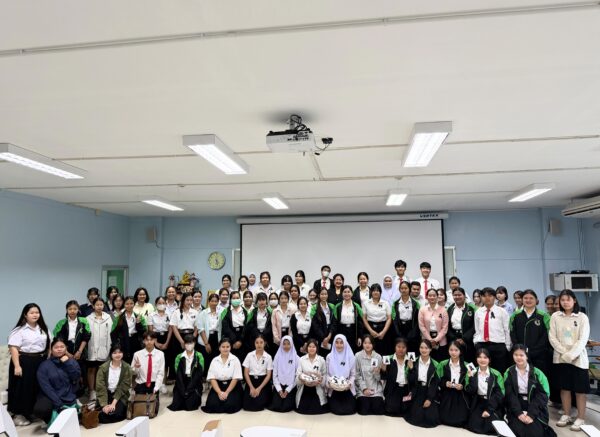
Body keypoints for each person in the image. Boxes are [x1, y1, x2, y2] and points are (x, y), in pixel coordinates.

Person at [549, 289, 590, 431]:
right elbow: (552, 337)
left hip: (578, 359)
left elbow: (583, 339)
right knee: (564, 388)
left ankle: (581, 417)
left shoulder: (582, 317)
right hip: (560, 358)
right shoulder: (555, 316)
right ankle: (566, 414)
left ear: (574, 300)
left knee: (580, 390)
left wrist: (571, 355)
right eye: (562, 300)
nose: (565, 302)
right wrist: (564, 353)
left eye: (568, 299)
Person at [7, 303, 51, 426]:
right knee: (22, 388)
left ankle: (30, 412)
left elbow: (49, 345)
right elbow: (13, 348)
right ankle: (18, 415)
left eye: (37, 312)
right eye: (32, 313)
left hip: (40, 360)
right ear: (25, 315)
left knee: (36, 387)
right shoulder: (19, 330)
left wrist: (48, 360)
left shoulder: (43, 328)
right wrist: (17, 366)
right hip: (24, 361)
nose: (35, 315)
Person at [504, 344, 556, 437]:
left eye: (521, 355)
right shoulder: (509, 372)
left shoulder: (538, 373)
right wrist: (519, 413)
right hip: (517, 405)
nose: (518, 358)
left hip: (534, 405)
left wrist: (531, 415)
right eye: (516, 355)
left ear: (527, 356)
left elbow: (543, 395)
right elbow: (509, 395)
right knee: (516, 431)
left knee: (534, 433)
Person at [34, 338, 80, 425]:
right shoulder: (44, 365)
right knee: (41, 409)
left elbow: (76, 377)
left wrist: (68, 363)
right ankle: (49, 419)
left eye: (62, 347)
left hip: (68, 395)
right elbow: (46, 387)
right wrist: (59, 404)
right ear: (51, 350)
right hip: (51, 396)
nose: (59, 349)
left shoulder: (72, 362)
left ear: (66, 348)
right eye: (56, 347)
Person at [509, 289, 550, 377]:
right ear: (522, 300)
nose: (528, 300)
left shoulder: (543, 316)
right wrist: (519, 349)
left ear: (536, 300)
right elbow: (512, 333)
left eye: (531, 298)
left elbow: (546, 335)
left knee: (538, 379)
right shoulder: (515, 315)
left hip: (539, 355)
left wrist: (534, 351)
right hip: (520, 355)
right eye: (525, 298)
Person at [465, 348, 505, 435]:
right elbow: (470, 391)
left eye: (485, 357)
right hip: (478, 402)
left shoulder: (496, 374)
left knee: (491, 426)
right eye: (479, 357)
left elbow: (500, 394)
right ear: (476, 359)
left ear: (489, 360)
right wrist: (471, 377)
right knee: (474, 425)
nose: (482, 360)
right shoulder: (472, 371)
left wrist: (489, 410)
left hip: (492, 402)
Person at [473, 287, 511, 374]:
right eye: (484, 296)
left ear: (494, 297)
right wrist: (476, 342)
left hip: (498, 346)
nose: (487, 298)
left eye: (490, 296)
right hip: (482, 345)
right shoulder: (478, 312)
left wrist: (507, 346)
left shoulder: (502, 311)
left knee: (499, 372)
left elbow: (507, 330)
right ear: (481, 297)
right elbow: (477, 330)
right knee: (483, 372)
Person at [202, 338, 244, 414]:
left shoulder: (235, 359)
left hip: (232, 386)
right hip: (218, 386)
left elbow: (235, 378)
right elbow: (212, 378)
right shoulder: (214, 360)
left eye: (227, 347)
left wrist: (226, 392)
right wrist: (219, 392)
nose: (225, 349)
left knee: (230, 406)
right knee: (212, 405)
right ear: (219, 348)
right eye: (223, 347)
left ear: (230, 347)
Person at [405, 339, 441, 428]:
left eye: (426, 348)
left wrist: (429, 399)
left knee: (431, 418)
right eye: (421, 347)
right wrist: (411, 369)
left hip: (429, 391)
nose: (423, 350)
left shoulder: (436, 364)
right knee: (416, 417)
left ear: (430, 349)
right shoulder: (413, 361)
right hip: (417, 390)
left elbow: (434, 384)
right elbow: (410, 381)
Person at [95, 344, 132, 423]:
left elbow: (123, 387)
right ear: (111, 354)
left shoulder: (127, 367)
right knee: (102, 413)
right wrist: (105, 405)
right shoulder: (103, 368)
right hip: (106, 394)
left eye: (120, 352)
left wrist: (113, 404)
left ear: (123, 353)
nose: (117, 355)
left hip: (120, 396)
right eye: (115, 353)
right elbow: (100, 387)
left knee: (118, 414)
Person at [132, 331, 165, 416]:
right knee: (139, 410)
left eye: (151, 339)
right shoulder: (137, 354)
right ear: (143, 341)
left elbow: (161, 373)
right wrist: (136, 367)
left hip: (154, 384)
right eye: (147, 340)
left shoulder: (160, 354)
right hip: (141, 383)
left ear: (155, 340)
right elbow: (133, 372)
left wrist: (157, 387)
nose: (149, 342)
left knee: (153, 411)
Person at [437, 341, 469, 427]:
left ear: (460, 351)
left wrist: (462, 386)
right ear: (448, 351)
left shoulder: (468, 365)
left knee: (461, 420)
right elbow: (437, 380)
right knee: (442, 418)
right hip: (447, 392)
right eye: (451, 350)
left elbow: (472, 384)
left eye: (456, 350)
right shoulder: (442, 364)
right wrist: (445, 383)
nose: (453, 352)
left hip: (461, 394)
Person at [168, 335, 204, 411]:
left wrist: (189, 389)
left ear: (194, 343)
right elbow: (178, 374)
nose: (189, 345)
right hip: (182, 382)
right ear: (184, 344)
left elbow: (199, 374)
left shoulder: (199, 356)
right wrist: (183, 389)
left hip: (194, 382)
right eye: (187, 343)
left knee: (189, 406)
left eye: (191, 343)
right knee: (177, 405)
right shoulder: (179, 356)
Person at [53, 300, 90, 373]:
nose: (72, 311)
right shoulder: (61, 323)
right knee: (65, 372)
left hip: (80, 350)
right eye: (70, 309)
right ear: (66, 310)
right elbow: (58, 339)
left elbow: (86, 337)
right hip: (65, 350)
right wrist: (66, 352)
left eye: (75, 309)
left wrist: (79, 351)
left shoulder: (84, 321)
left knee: (80, 373)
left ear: (78, 309)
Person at [86, 297, 112, 401]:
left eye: (101, 305)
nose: (99, 307)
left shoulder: (108, 318)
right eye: (97, 305)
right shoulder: (88, 318)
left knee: (103, 370)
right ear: (93, 306)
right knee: (91, 369)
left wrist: (109, 348)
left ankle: (101, 391)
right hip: (91, 348)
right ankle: (92, 391)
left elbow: (110, 334)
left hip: (104, 348)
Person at [325, 334, 356, 415]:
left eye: (341, 343)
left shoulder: (350, 357)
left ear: (345, 343)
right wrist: (330, 383)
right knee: (336, 409)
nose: (339, 345)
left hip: (346, 388)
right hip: (334, 388)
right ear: (334, 343)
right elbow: (326, 374)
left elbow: (353, 375)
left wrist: (349, 384)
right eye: (337, 342)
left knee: (350, 409)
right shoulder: (329, 357)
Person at [295, 338, 328, 414]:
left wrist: (320, 379)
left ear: (316, 348)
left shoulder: (321, 360)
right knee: (302, 409)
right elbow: (298, 376)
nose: (311, 349)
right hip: (305, 388)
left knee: (317, 409)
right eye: (310, 346)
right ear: (307, 348)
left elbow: (324, 375)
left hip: (317, 388)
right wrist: (302, 379)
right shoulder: (301, 359)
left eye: (313, 347)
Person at [111, 296, 147, 364]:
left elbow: (144, 332)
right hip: (123, 342)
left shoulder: (139, 316)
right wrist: (116, 346)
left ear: (134, 304)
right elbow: (113, 333)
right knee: (124, 363)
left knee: (135, 363)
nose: (129, 306)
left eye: (131, 303)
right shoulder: (119, 317)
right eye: (127, 304)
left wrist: (138, 323)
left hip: (135, 342)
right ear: (124, 305)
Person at [354, 335, 384, 415]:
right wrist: (364, 389)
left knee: (378, 410)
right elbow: (357, 375)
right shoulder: (357, 356)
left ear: (373, 344)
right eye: (365, 343)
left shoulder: (378, 357)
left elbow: (379, 379)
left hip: (375, 389)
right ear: (362, 344)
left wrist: (376, 373)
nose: (367, 345)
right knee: (363, 410)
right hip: (362, 389)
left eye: (370, 343)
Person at [446, 287, 477, 363]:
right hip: (453, 338)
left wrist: (464, 339)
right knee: (455, 361)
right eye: (455, 295)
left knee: (468, 363)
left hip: (467, 340)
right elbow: (446, 326)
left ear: (464, 296)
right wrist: (454, 339)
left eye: (459, 295)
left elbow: (474, 326)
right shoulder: (450, 309)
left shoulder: (471, 309)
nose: (457, 297)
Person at [269, 335, 299, 412]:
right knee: (276, 406)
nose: (286, 346)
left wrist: (288, 390)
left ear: (291, 344)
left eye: (288, 344)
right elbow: (274, 375)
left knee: (286, 407)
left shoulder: (296, 358)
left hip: (291, 386)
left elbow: (297, 376)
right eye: (284, 344)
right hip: (279, 384)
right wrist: (279, 389)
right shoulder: (277, 356)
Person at [242, 335, 273, 411]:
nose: (259, 345)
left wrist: (259, 389)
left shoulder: (268, 357)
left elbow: (268, 375)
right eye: (257, 342)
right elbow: (246, 373)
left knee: (259, 405)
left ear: (264, 343)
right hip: (251, 381)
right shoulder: (249, 355)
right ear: (254, 343)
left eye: (261, 342)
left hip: (262, 382)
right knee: (247, 405)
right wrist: (251, 387)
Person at [418, 288, 449, 361]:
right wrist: (430, 340)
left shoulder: (443, 310)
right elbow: (421, 326)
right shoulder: (422, 309)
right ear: (427, 297)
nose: (432, 297)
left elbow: (445, 327)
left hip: (441, 341)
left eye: (434, 295)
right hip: (426, 340)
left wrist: (436, 340)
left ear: (437, 297)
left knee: (440, 362)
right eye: (430, 295)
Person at [362, 283, 393, 355]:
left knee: (383, 350)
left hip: (383, 328)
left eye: (377, 291)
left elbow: (389, 318)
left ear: (380, 292)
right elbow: (364, 318)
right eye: (374, 291)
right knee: (370, 349)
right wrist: (371, 331)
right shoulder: (366, 303)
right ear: (371, 292)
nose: (375, 292)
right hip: (370, 327)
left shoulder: (385, 303)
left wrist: (383, 332)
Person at [383, 337, 412, 417]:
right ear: (395, 347)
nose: (401, 349)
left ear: (406, 348)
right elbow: (384, 377)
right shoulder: (389, 359)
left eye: (403, 347)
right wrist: (383, 370)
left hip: (406, 389)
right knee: (391, 409)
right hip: (393, 389)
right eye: (398, 347)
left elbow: (413, 379)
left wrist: (412, 369)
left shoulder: (411, 360)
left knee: (406, 410)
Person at [332, 286, 364, 353]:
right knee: (342, 351)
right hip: (341, 331)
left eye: (349, 292)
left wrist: (360, 337)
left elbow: (360, 323)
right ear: (342, 293)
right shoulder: (337, 306)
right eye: (345, 292)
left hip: (353, 332)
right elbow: (334, 323)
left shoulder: (356, 306)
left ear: (352, 293)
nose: (347, 294)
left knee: (352, 351)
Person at [392, 281, 421, 353]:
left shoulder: (416, 303)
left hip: (412, 329)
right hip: (399, 329)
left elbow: (417, 321)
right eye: (402, 288)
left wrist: (413, 333)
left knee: (411, 352)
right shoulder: (395, 304)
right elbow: (394, 320)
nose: (404, 290)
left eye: (406, 288)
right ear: (399, 289)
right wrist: (398, 333)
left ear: (409, 289)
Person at [169, 292, 198, 362]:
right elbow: (174, 327)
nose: (189, 302)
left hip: (191, 336)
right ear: (183, 300)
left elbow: (197, 327)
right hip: (179, 337)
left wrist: (192, 339)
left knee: (190, 359)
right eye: (187, 300)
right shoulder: (176, 312)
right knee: (178, 358)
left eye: (191, 300)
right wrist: (182, 342)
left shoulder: (195, 312)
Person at [220, 290, 248, 361]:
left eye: (237, 298)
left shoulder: (245, 311)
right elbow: (225, 327)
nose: (236, 300)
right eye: (234, 298)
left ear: (240, 299)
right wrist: (234, 341)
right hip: (231, 339)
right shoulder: (225, 311)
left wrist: (240, 341)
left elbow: (246, 327)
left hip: (242, 339)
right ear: (230, 299)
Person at [311, 288, 335, 356]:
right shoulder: (314, 307)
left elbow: (334, 322)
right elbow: (315, 325)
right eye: (322, 294)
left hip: (330, 335)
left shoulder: (332, 306)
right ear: (319, 295)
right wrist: (324, 338)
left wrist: (329, 337)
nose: (324, 296)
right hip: (319, 336)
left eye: (325, 294)